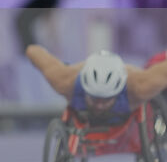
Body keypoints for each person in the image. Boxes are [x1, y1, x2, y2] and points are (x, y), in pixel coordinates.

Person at [26, 45, 167, 126]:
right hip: (74, 70)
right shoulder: (64, 82)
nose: (99, 106)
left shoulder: (139, 87)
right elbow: (32, 51)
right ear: (85, 90)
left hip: (133, 75)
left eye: (105, 100)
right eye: (94, 99)